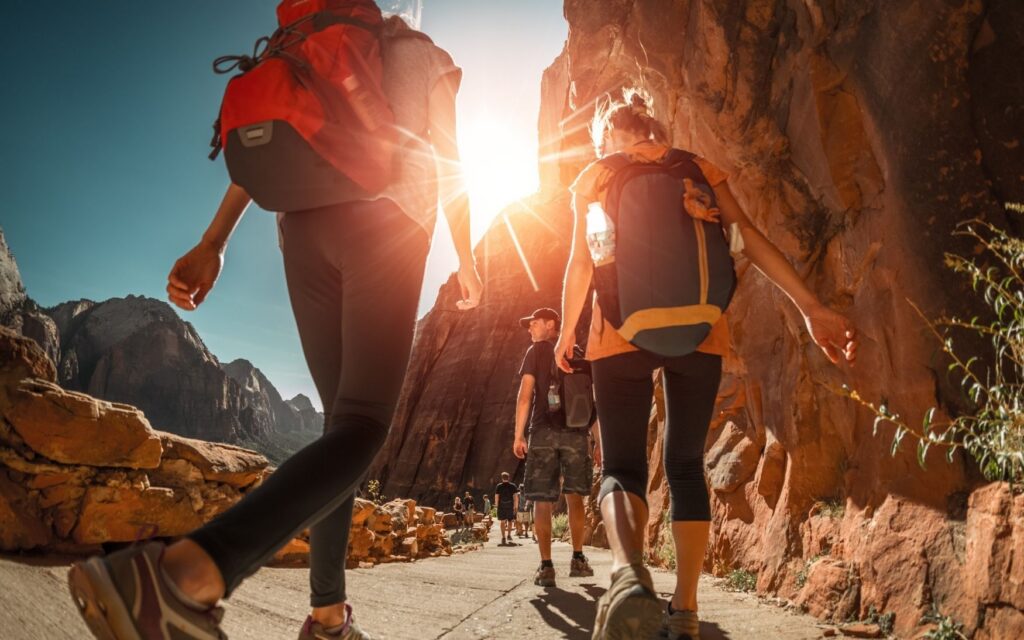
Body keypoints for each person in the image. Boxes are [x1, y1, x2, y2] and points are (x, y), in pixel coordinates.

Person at [66, 9, 483, 640]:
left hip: (301, 232)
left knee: (339, 428)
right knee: (362, 425)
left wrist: (213, 243)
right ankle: (181, 575)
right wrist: (468, 261)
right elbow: (450, 159)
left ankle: (327, 618)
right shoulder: (421, 51)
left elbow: (264, 155)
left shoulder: (305, 40)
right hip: (386, 228)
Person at [556, 88, 858, 640]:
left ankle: (628, 574)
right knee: (686, 465)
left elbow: (582, 261)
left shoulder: (597, 175)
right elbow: (747, 241)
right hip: (700, 330)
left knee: (621, 468)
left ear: (609, 136)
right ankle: (687, 610)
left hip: (618, 334)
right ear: (650, 127)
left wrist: (565, 331)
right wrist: (810, 307)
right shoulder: (696, 168)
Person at [513, 308, 599, 587]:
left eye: (534, 323)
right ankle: (578, 559)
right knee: (575, 498)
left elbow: (525, 395)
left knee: (542, 499)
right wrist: (597, 441)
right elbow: (593, 402)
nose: (530, 328)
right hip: (577, 435)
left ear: (551, 325)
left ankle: (546, 566)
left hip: (543, 433)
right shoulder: (581, 355)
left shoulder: (537, 352)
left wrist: (518, 435)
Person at [494, 472, 519, 545]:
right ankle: (509, 535)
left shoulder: (499, 486)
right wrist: (516, 507)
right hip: (510, 506)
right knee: (510, 521)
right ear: (509, 478)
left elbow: (496, 497)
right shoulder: (513, 486)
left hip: (501, 506)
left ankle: (503, 537)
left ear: (502, 478)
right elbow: (516, 498)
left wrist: (497, 506)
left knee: (502, 522)